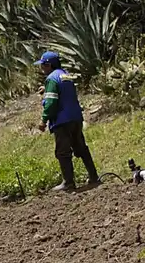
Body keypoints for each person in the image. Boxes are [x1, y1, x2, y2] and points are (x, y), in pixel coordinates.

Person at [35, 51, 101, 191]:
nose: (42, 69)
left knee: (63, 152)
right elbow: (64, 92)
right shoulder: (66, 75)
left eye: (43, 66)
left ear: (49, 65)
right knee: (81, 147)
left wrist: (43, 120)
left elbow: (51, 102)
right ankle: (94, 176)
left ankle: (68, 182)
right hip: (75, 117)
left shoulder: (51, 79)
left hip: (62, 120)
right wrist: (46, 89)